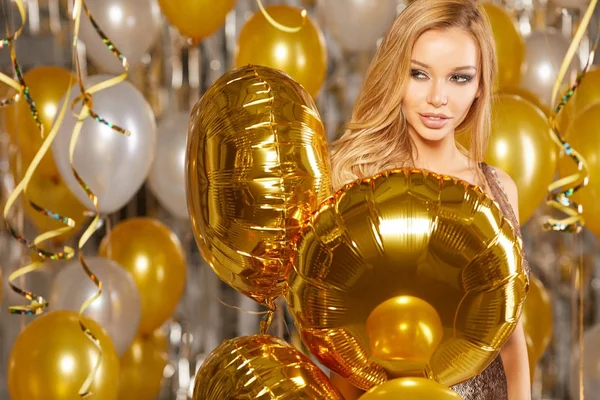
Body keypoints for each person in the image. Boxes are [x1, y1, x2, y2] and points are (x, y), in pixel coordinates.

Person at [328, 0, 531, 399]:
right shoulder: (359, 184)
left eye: (459, 78)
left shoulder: (499, 189)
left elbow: (511, 342)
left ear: (479, 87)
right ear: (395, 76)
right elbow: (345, 352)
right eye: (419, 74)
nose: (438, 97)